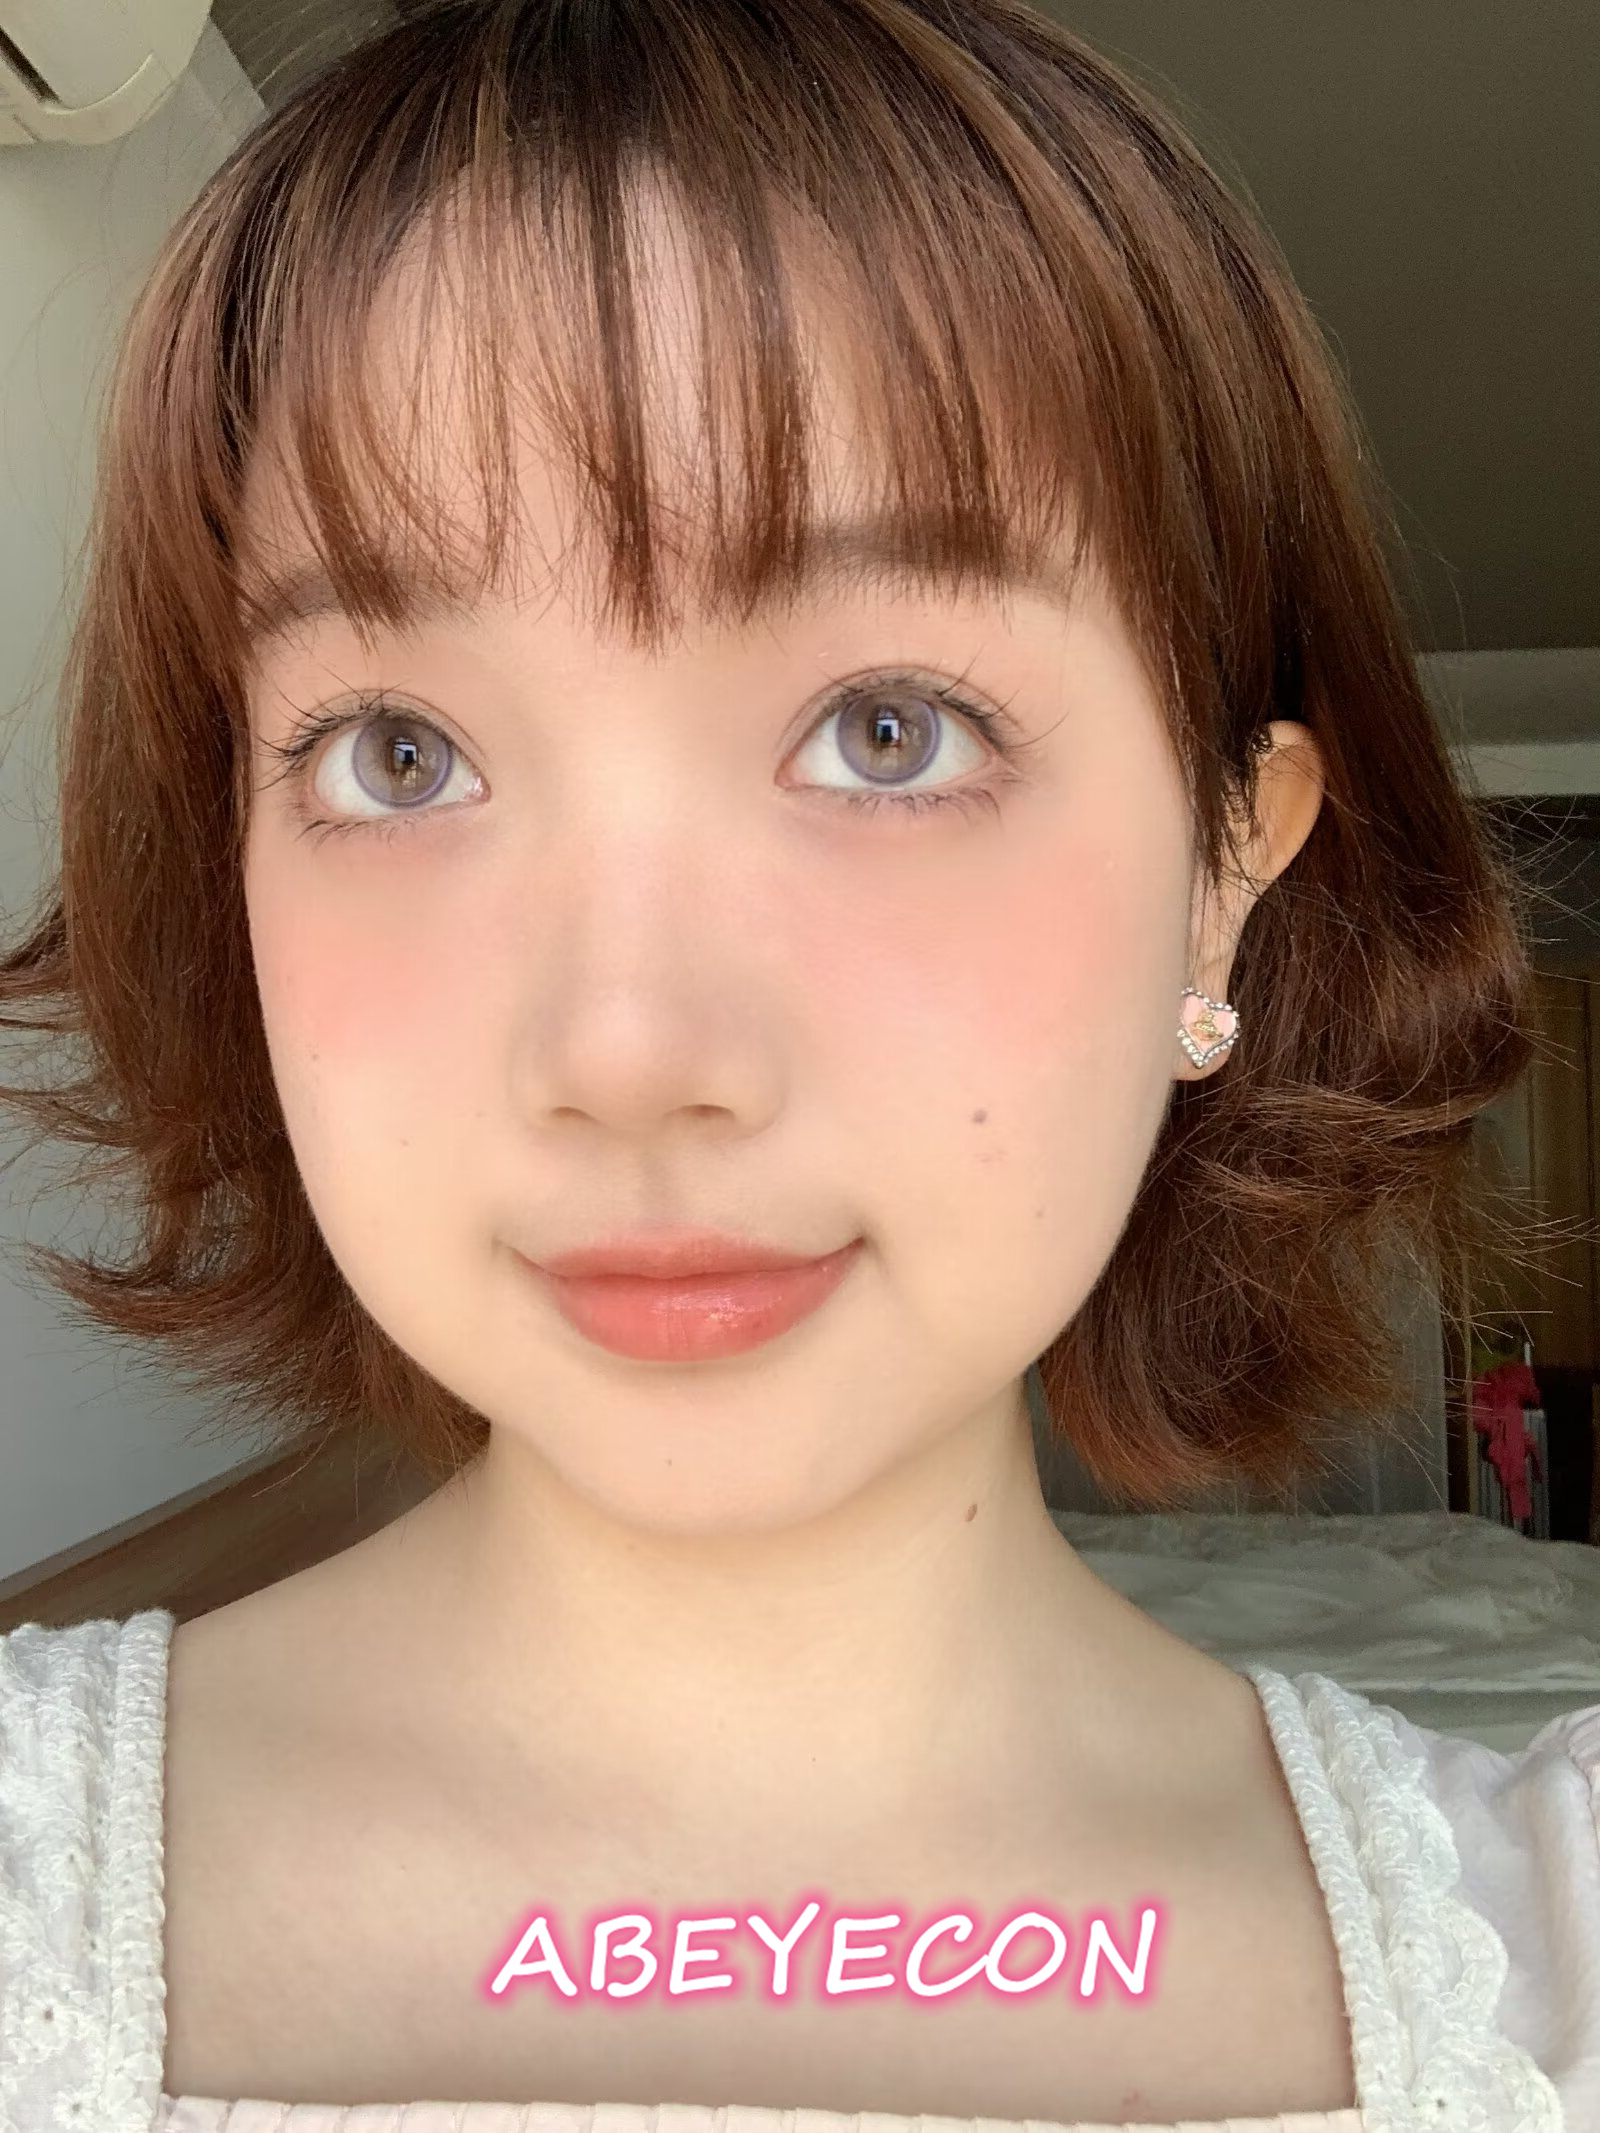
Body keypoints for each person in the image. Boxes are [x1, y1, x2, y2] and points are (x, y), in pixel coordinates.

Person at [0, 1, 1595, 2128]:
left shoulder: (1545, 1955)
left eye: (885, 731)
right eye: (399, 753)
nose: (629, 1052)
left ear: (1225, 871)